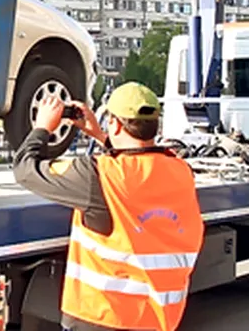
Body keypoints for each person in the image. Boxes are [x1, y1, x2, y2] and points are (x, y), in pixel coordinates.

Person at [13, 82, 204, 331]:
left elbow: (25, 170)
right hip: (158, 320)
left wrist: (42, 127)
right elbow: (137, 164)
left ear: (113, 123)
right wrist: (100, 136)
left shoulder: (99, 174)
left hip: (103, 317)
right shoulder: (180, 171)